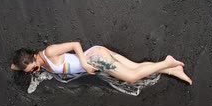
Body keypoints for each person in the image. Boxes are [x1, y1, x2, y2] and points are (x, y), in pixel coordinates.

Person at [10, 41, 192, 85]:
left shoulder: (49, 53)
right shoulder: (34, 63)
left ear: (35, 57)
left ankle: (168, 63)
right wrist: (20, 65)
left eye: (33, 67)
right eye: (29, 72)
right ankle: (172, 70)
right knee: (136, 67)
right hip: (97, 55)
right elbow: (15, 65)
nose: (34, 71)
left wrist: (85, 64)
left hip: (96, 58)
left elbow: (75, 44)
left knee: (132, 77)